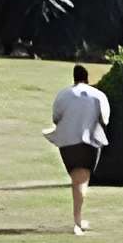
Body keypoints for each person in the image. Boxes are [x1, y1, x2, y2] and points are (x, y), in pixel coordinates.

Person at [46, 65, 109, 234]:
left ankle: (78, 219)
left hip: (66, 142)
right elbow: (105, 119)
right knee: (82, 179)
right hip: (89, 142)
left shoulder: (63, 94)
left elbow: (56, 118)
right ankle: (77, 221)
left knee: (77, 178)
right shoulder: (98, 95)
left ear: (74, 77)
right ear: (87, 78)